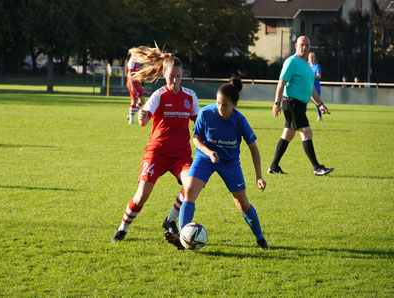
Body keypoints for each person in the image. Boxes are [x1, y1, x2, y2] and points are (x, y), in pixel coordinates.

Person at [164, 77, 268, 250]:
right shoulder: (206, 113)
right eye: (218, 102)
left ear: (235, 104)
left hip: (229, 163)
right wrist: (208, 152)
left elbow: (254, 149)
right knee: (189, 191)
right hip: (205, 159)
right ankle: (183, 237)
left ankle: (260, 239)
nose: (220, 107)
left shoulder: (240, 121)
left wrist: (259, 176)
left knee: (242, 202)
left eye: (225, 104)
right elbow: (196, 139)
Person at [111, 44, 200, 242]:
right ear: (164, 75)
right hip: (157, 152)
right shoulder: (159, 95)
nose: (175, 81)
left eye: (178, 77)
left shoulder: (190, 97)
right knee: (142, 195)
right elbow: (144, 120)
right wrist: (142, 117)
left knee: (192, 186)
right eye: (171, 77)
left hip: (181, 155)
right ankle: (123, 228)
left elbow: (198, 124)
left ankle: (170, 220)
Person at [268, 36, 334, 176]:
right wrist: (276, 103)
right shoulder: (291, 61)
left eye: (307, 45)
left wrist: (320, 104)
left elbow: (311, 89)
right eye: (302, 44)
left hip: (300, 104)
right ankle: (317, 167)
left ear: (310, 47)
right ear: (296, 46)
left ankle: (274, 166)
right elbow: (281, 83)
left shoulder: (307, 67)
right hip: (291, 103)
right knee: (306, 132)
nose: (304, 47)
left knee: (288, 134)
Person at [126, 55, 145, 124]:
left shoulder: (137, 61)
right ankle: (131, 120)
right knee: (134, 101)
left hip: (137, 83)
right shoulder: (132, 61)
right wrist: (132, 86)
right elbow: (130, 74)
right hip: (132, 83)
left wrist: (140, 81)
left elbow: (137, 73)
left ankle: (131, 115)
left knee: (142, 100)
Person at [308, 52, 322, 121]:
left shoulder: (317, 66)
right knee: (304, 101)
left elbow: (319, 76)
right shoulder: (307, 66)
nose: (310, 59)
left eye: (311, 57)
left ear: (314, 58)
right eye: (309, 57)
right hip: (308, 85)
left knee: (316, 102)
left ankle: (319, 116)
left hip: (316, 86)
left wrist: (312, 74)